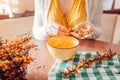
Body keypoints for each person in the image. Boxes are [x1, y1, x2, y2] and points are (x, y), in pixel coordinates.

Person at [32, 0, 103, 40]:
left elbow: (99, 30)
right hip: (51, 55)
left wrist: (91, 30)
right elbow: (36, 32)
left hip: (81, 56)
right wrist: (47, 30)